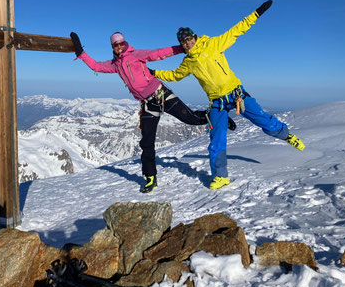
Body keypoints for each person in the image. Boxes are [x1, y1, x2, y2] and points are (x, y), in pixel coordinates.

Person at [150, 0, 305, 190]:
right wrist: (154, 73)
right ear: (181, 44)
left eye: (189, 39)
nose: (188, 43)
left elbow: (236, 31)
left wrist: (256, 14)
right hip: (216, 102)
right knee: (216, 139)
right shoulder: (188, 62)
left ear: (194, 37)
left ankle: (286, 135)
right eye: (184, 42)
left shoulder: (213, 44)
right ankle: (220, 176)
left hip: (236, 95)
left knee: (263, 120)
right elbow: (174, 75)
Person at [69, 31, 236, 193]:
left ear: (124, 43)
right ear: (112, 46)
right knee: (147, 143)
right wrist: (81, 52)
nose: (119, 46)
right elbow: (97, 66)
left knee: (191, 119)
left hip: (161, 94)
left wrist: (181, 48)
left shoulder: (135, 54)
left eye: (121, 43)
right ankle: (150, 177)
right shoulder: (115, 65)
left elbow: (158, 54)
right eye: (115, 44)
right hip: (148, 104)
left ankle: (218, 117)